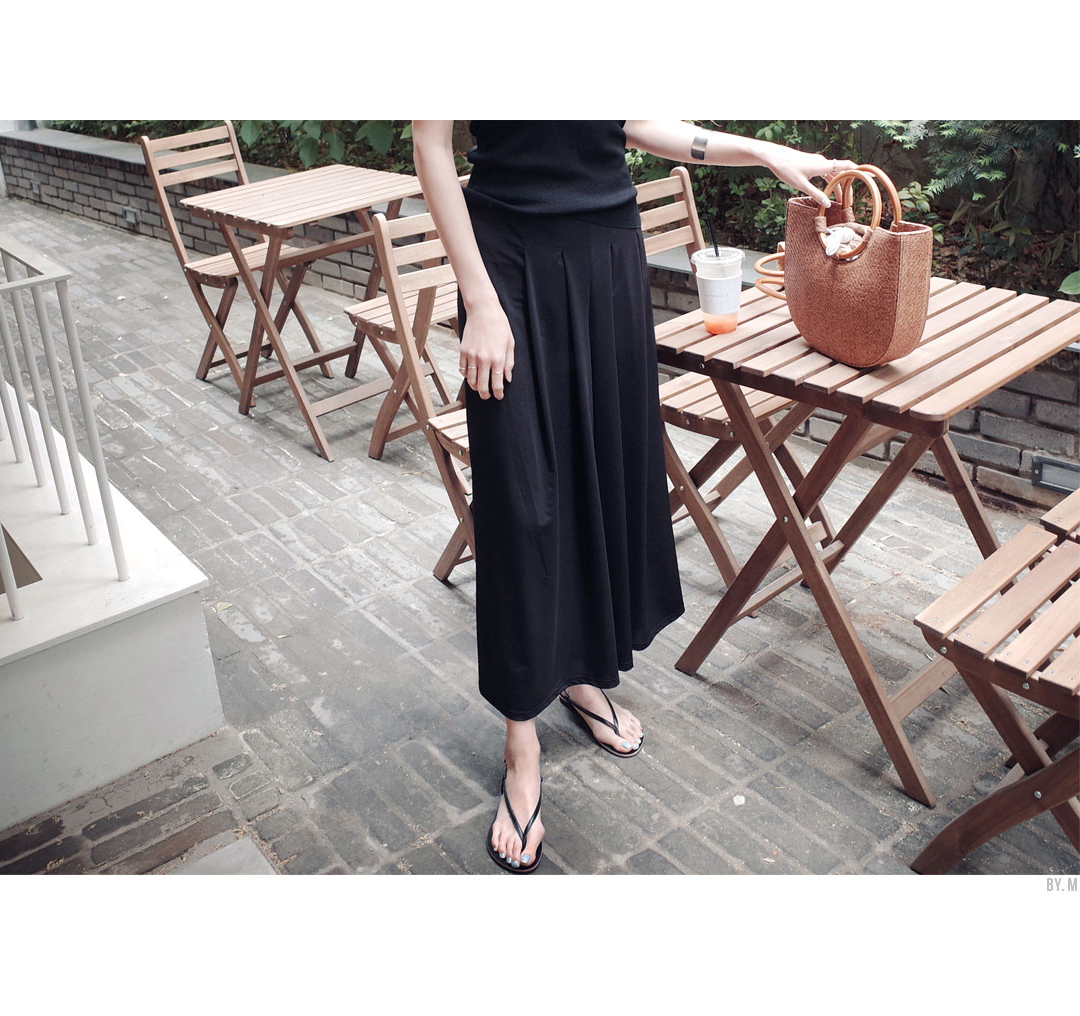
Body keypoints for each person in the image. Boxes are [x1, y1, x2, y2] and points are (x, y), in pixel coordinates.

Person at [412, 120, 856, 873]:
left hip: (609, 259)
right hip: (507, 265)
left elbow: (639, 123)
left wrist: (760, 152)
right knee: (523, 506)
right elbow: (431, 147)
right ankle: (521, 742)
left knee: (603, 477)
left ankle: (580, 673)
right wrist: (479, 301)